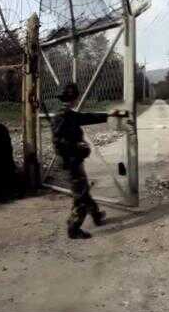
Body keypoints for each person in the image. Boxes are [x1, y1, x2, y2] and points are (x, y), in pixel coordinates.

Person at [52, 83, 121, 239]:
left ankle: (96, 215)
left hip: (74, 160)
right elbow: (58, 143)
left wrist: (108, 114)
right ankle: (73, 228)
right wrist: (76, 146)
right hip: (71, 162)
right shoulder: (62, 117)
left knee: (83, 190)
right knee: (80, 196)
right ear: (74, 98)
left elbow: (87, 117)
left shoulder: (68, 115)